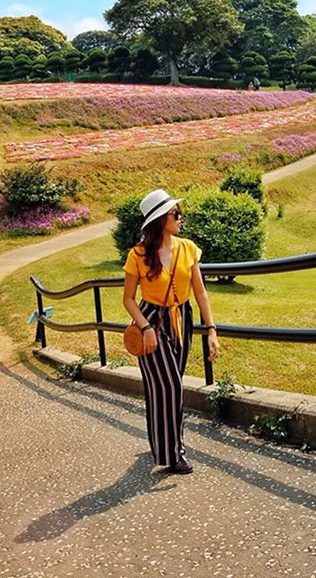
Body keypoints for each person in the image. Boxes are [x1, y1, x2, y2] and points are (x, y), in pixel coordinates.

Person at [123, 188, 220, 474]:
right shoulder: (138, 254)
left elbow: (200, 292)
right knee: (169, 386)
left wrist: (211, 329)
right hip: (151, 318)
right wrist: (146, 326)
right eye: (175, 213)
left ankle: (166, 445)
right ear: (159, 220)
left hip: (183, 318)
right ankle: (173, 453)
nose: (180, 217)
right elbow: (128, 298)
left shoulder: (188, 248)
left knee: (169, 385)